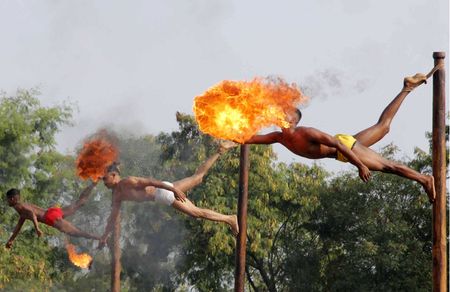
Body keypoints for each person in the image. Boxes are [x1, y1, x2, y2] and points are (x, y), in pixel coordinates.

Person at [244, 71, 437, 203]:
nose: (280, 115)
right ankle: (407, 88)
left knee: (387, 166)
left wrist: (360, 165)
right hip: (344, 145)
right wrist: (229, 133)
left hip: (344, 147)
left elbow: (337, 143)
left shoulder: (306, 132)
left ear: (294, 121)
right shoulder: (278, 137)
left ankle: (424, 179)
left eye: (286, 114)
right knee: (383, 127)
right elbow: (249, 139)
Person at [99, 141, 239, 248]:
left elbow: (151, 181)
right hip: (165, 191)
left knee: (196, 213)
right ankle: (220, 150)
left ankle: (230, 219)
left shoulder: (127, 182)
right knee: (198, 177)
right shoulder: (117, 195)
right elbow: (112, 218)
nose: (104, 183)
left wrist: (173, 190)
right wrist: (104, 237)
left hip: (164, 193)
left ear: (113, 175)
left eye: (105, 179)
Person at [5, 182, 100, 248]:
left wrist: (37, 228)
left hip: (50, 218)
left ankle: (101, 238)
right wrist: (11, 240)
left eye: (8, 199)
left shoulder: (20, 207)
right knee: (79, 203)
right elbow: (19, 225)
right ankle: (93, 184)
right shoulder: (22, 206)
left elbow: (32, 214)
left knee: (76, 232)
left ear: (12, 199)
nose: (7, 201)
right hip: (52, 212)